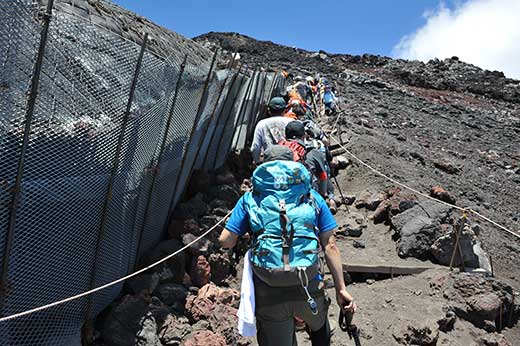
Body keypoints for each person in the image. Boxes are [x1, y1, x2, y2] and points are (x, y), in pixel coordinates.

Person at [219, 147, 356, 346]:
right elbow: (330, 245)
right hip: (307, 283)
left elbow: (226, 240)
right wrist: (341, 289)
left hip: (269, 289)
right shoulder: (311, 196)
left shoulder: (251, 198)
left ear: (264, 165)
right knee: (320, 327)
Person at [279, 121, 337, 213]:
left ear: (286, 136)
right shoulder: (314, 152)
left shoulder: (278, 150)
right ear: (304, 136)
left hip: (280, 197)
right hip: (303, 196)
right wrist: (321, 195)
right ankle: (331, 200)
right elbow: (323, 176)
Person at [250, 97, 293, 164]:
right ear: (285, 110)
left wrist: (256, 161)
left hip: (269, 162)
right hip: (289, 161)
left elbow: (256, 146)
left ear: (269, 110)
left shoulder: (262, 124)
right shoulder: (291, 122)